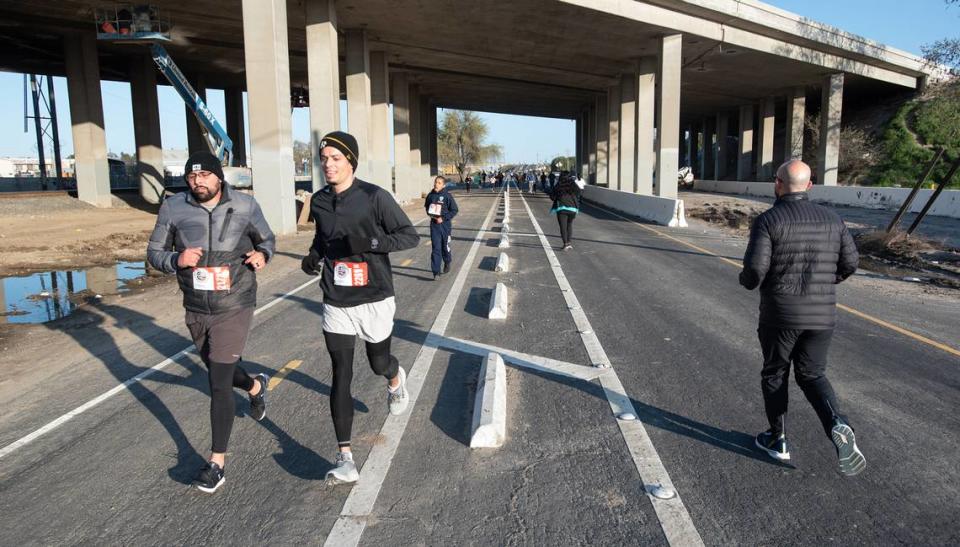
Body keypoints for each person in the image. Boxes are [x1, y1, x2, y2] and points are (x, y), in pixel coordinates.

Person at [146, 150, 275, 493]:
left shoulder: (246, 205)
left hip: (235, 302)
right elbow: (153, 253)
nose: (197, 181)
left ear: (219, 177)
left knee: (218, 382)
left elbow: (267, 240)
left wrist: (263, 254)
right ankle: (255, 386)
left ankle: (216, 464)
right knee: (219, 368)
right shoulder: (174, 208)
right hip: (196, 306)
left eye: (204, 176)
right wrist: (177, 258)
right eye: (192, 176)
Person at [301, 131, 419, 483]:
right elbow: (322, 238)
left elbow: (409, 236)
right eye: (324, 159)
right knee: (341, 374)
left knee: (378, 362)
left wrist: (370, 241)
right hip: (336, 298)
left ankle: (396, 379)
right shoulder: (320, 201)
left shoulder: (374, 197)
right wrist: (313, 257)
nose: (328, 165)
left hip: (374, 296)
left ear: (350, 161)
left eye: (336, 158)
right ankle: (345, 458)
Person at [740, 159, 865, 476]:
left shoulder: (768, 220)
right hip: (822, 316)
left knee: (775, 373)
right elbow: (851, 263)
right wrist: (825, 282)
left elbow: (755, 269)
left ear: (777, 184)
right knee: (812, 375)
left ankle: (777, 438)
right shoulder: (833, 219)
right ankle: (836, 422)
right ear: (809, 186)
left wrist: (748, 282)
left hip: (780, 315)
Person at [424, 175, 459, 280]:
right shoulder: (430, 195)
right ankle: (436, 272)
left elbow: (454, 210)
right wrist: (431, 215)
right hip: (434, 226)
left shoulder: (447, 196)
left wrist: (443, 218)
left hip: (445, 225)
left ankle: (447, 261)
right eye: (435, 182)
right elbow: (427, 207)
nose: (436, 184)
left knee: (445, 247)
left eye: (439, 182)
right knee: (436, 248)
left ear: (443, 185)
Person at [549, 170, 581, 251]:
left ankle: (565, 244)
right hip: (573, 208)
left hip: (562, 208)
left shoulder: (558, 185)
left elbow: (552, 197)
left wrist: (558, 197)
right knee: (569, 225)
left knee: (563, 227)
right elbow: (579, 192)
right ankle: (569, 243)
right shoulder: (573, 184)